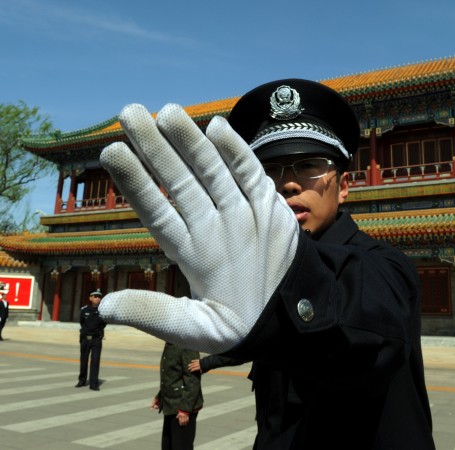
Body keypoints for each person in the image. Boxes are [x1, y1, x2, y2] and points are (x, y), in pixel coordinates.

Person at [98, 79, 435, 448]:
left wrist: (293, 281)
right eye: (268, 170)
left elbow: (367, 328)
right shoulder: (253, 272)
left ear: (343, 186)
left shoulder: (386, 266)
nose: (288, 185)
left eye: (309, 165)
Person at [152, 342, 203, 450]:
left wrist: (185, 409)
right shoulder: (171, 341)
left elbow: (192, 380)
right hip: (170, 404)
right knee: (167, 446)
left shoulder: (186, 344)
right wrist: (161, 395)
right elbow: (172, 375)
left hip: (182, 407)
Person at [76, 288, 107, 390]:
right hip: (85, 338)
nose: (98, 299)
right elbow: (82, 322)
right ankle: (82, 380)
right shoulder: (84, 310)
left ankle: (94, 384)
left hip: (96, 339)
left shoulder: (102, 311)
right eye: (95, 297)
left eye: (99, 297)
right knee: (83, 360)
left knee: (95, 361)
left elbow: (103, 324)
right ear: (90, 298)